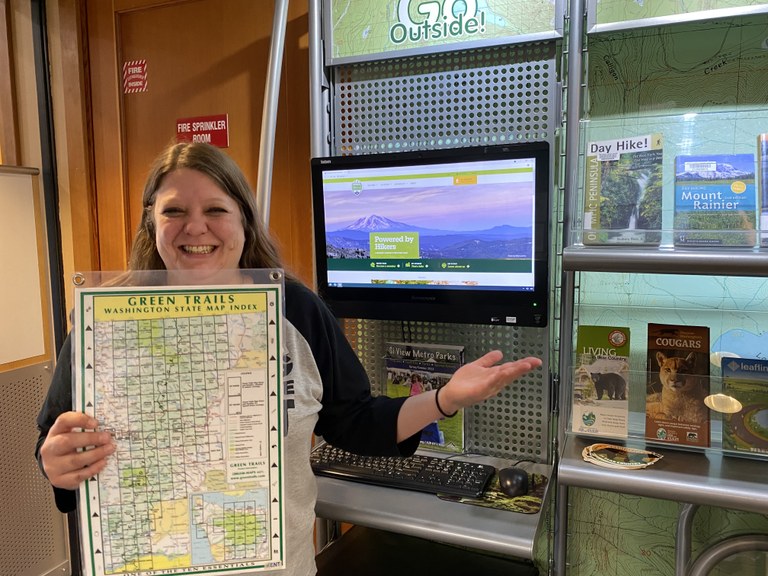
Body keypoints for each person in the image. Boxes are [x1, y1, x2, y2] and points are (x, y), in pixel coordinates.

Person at [36, 141, 542, 576]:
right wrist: (54, 462)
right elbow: (54, 441)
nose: (196, 227)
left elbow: (356, 423)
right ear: (151, 221)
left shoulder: (295, 309)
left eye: (215, 210)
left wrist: (445, 399)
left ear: (243, 220)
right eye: (174, 211)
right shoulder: (104, 319)